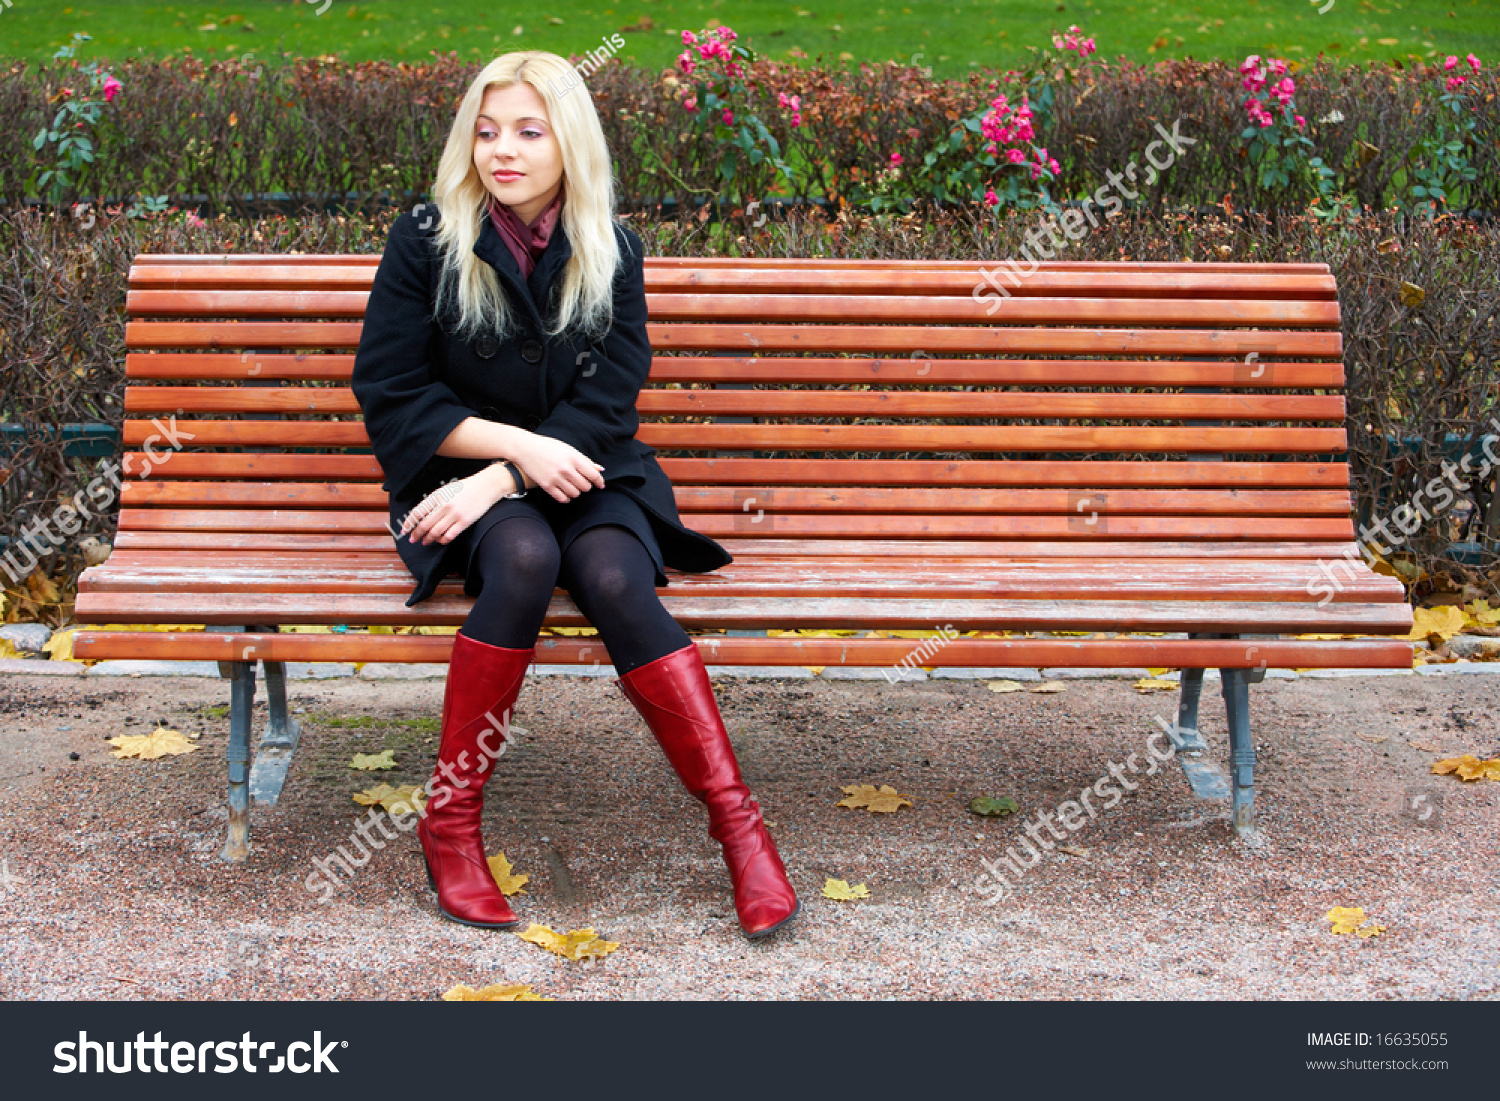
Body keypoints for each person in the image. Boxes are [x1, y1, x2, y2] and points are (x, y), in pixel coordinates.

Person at [351, 51, 798, 940]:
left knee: (617, 577)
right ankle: (450, 826)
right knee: (522, 556)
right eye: (485, 132)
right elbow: (392, 390)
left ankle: (740, 829)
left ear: (570, 140)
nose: (500, 151)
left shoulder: (609, 247)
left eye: (526, 130)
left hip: (591, 469)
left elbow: (607, 402)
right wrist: (506, 465)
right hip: (466, 476)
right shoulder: (427, 237)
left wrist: (513, 473)